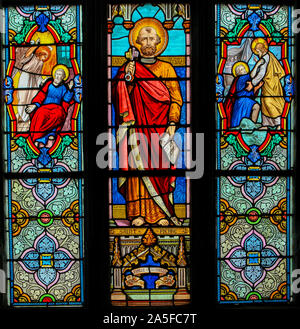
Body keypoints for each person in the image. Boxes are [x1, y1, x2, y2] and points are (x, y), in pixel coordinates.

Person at [112, 19, 182, 227]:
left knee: (160, 169)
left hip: (160, 127)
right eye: (144, 39)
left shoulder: (167, 68)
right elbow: (119, 96)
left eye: (152, 38)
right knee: (136, 170)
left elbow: (176, 98)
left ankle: (161, 214)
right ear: (138, 43)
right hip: (136, 127)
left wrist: (172, 123)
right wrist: (127, 81)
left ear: (160, 41)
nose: (149, 42)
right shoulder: (129, 68)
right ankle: (136, 214)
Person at [25, 65, 74, 147]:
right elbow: (41, 95)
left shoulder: (64, 88)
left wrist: (69, 90)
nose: (58, 76)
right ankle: (37, 138)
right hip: (44, 107)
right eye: (57, 74)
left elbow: (66, 100)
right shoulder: (48, 84)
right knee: (41, 113)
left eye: (61, 75)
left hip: (57, 108)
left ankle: (51, 133)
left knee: (59, 114)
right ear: (54, 75)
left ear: (63, 77)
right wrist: (35, 105)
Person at [246, 38, 286, 129]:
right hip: (270, 83)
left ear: (260, 50)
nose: (257, 53)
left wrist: (252, 83)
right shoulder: (268, 56)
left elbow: (261, 74)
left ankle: (279, 123)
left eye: (257, 51)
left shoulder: (264, 59)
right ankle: (267, 124)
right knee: (265, 102)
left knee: (270, 102)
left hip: (271, 84)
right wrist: (258, 63)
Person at [13, 44, 52, 131]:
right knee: (22, 98)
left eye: (46, 56)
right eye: (44, 55)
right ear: (40, 52)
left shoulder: (41, 63)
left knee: (32, 98)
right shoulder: (32, 56)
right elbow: (23, 59)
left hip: (34, 80)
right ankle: (21, 116)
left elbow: (38, 75)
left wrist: (42, 81)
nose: (45, 58)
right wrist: (35, 46)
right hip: (25, 76)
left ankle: (27, 118)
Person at [224, 61, 263, 128]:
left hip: (244, 100)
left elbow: (249, 92)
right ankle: (252, 125)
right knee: (254, 108)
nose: (242, 71)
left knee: (252, 110)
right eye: (240, 70)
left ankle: (252, 125)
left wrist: (257, 87)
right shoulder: (240, 79)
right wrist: (258, 64)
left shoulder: (245, 80)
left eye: (243, 69)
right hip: (242, 101)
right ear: (237, 73)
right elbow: (251, 75)